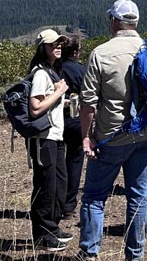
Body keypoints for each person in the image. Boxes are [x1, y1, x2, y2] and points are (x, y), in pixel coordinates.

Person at [77, 0, 147, 261]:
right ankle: (135, 255)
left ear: (114, 21)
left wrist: (86, 138)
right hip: (146, 134)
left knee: (94, 196)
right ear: (136, 23)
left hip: (111, 136)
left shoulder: (101, 53)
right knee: (138, 196)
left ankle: (89, 253)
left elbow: (88, 103)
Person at [27, 29, 73, 252]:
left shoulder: (51, 71)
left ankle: (51, 229)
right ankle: (45, 234)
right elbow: (35, 108)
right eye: (53, 44)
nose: (58, 46)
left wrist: (62, 101)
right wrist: (59, 93)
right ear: (42, 47)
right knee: (46, 186)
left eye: (60, 43)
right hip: (43, 138)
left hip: (54, 136)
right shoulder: (40, 74)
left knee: (57, 184)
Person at [59, 34, 86, 219]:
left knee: (57, 163)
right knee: (75, 161)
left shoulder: (53, 68)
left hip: (55, 121)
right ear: (76, 52)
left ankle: (55, 201)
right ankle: (69, 205)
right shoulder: (81, 70)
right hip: (76, 121)